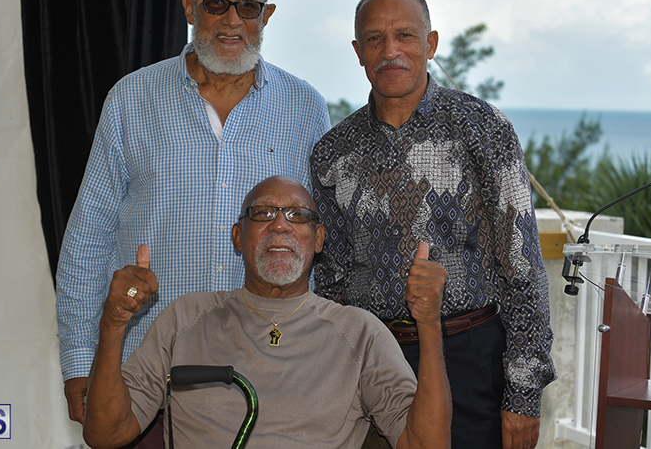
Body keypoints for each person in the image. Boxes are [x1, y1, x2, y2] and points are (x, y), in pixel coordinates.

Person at [55, 0, 330, 441]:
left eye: (247, 6)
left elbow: (319, 243)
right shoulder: (131, 99)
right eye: (215, 2)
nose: (231, 20)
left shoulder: (304, 107)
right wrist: (78, 361)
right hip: (151, 375)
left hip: (271, 370)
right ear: (189, 6)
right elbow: (88, 239)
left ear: (266, 15)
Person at [310, 0, 557, 449]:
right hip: (371, 362)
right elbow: (333, 280)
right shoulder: (332, 152)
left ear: (431, 44)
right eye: (375, 39)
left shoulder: (483, 129)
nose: (391, 51)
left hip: (467, 357)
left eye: (405, 35)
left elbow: (521, 269)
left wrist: (523, 395)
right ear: (358, 51)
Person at [83, 175, 451, 449]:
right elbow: (106, 434)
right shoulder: (185, 318)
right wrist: (113, 323)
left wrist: (429, 324)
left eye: (296, 214)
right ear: (238, 237)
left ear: (319, 238)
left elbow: (426, 445)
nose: (280, 225)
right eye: (263, 214)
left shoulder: (359, 332)